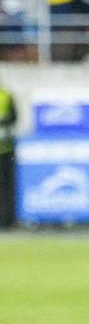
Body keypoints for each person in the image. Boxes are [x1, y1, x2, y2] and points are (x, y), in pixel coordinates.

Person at [0, 79, 14, 229]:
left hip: (4, 150)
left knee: (5, 187)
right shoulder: (6, 95)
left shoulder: (6, 95)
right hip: (5, 149)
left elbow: (13, 117)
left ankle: (5, 221)